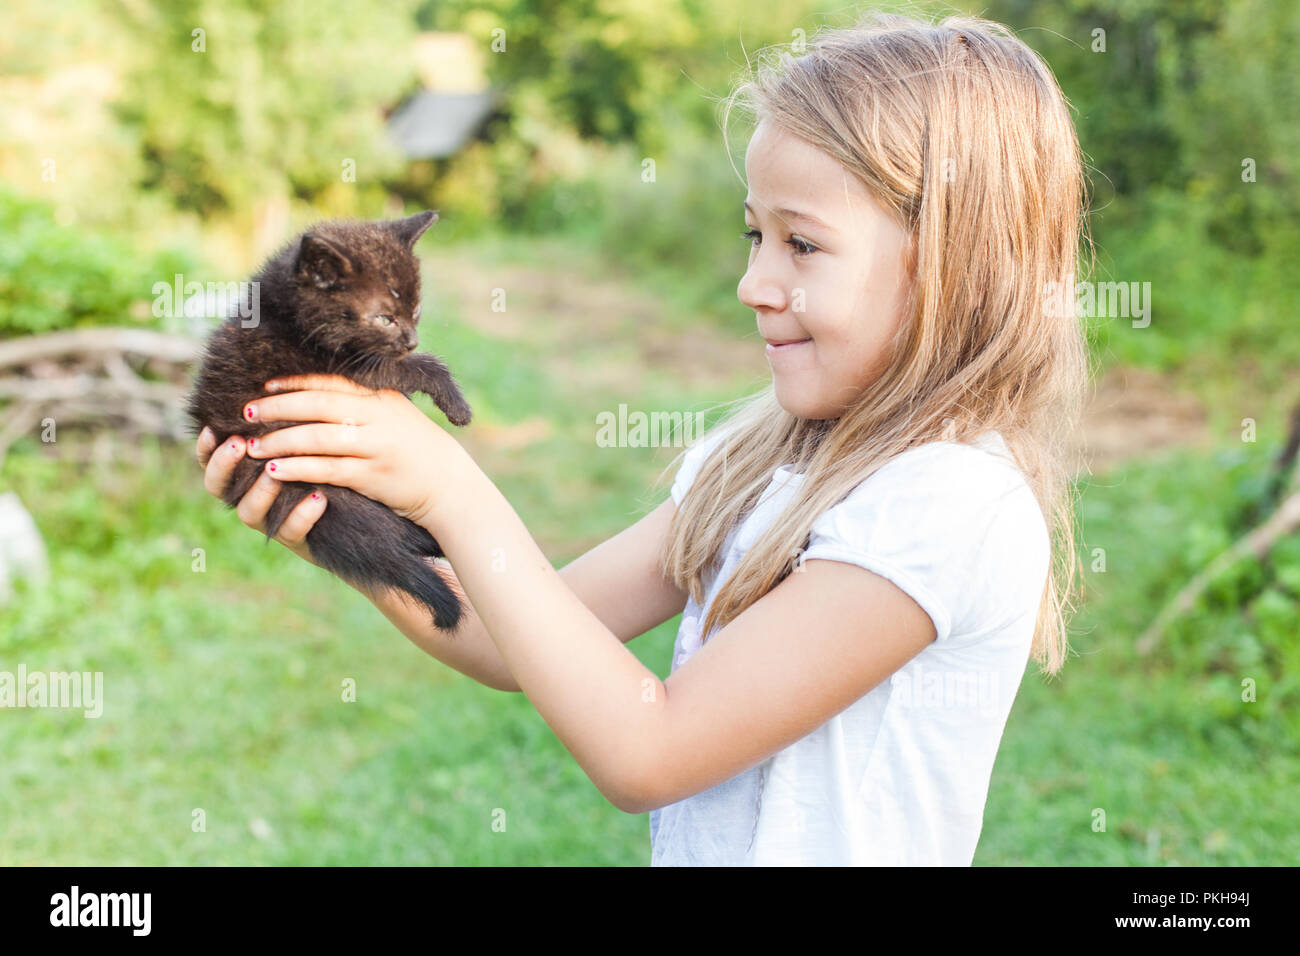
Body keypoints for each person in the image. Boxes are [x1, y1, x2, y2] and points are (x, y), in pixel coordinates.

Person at [196, 9, 1092, 865]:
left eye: (802, 246)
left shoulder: (945, 503)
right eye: (754, 235)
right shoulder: (766, 465)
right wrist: (331, 524)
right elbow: (511, 638)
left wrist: (450, 489)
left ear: (952, 265)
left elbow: (649, 750)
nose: (753, 283)